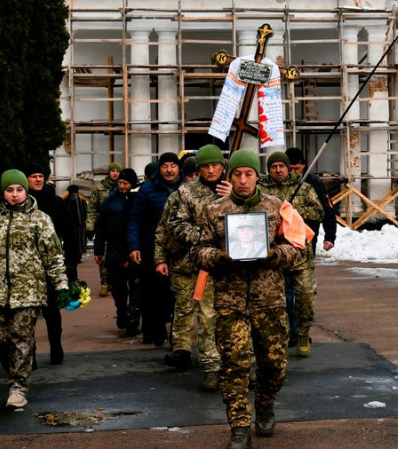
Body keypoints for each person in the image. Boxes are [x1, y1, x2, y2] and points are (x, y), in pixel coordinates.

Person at [192, 149, 302, 449]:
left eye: (248, 174)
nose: (243, 180)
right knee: (234, 366)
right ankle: (239, 428)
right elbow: (199, 250)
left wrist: (277, 254)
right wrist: (219, 257)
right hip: (231, 302)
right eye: (237, 174)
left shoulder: (278, 207)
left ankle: (265, 403)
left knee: (274, 365)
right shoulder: (215, 210)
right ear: (231, 176)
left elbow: (297, 245)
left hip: (270, 301)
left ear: (257, 176)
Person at [0, 169, 70, 408]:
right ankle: (17, 368)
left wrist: (61, 285)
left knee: (21, 338)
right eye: (10, 190)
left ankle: (18, 387)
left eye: (19, 190)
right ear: (3, 192)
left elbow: (53, 256)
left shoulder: (39, 219)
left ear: (26, 191)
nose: (15, 195)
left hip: (29, 291)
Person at [155, 144, 230, 391]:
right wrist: (202, 236)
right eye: (206, 166)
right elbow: (171, 227)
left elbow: (251, 218)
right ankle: (201, 361)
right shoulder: (185, 193)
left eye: (215, 165)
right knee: (191, 310)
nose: (211, 170)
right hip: (191, 264)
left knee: (217, 317)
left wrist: (231, 198)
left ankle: (230, 363)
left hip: (225, 266)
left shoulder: (234, 191)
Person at [259, 151, 324, 357]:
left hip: (301, 255)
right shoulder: (261, 190)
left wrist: (293, 212)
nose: (278, 170)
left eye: (282, 166)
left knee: (305, 296)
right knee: (278, 301)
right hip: (274, 256)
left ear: (288, 168)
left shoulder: (303, 188)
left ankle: (303, 333)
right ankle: (284, 335)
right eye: (273, 166)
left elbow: (318, 212)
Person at [128, 152, 183, 346]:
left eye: (173, 166)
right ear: (159, 168)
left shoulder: (186, 188)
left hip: (181, 250)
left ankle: (178, 337)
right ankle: (156, 332)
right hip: (153, 248)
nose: (169, 170)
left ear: (178, 168)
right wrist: (134, 246)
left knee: (179, 294)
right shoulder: (148, 189)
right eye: (165, 166)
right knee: (155, 292)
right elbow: (135, 219)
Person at [24, 163, 69, 365]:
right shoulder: (21, 203)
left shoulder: (55, 201)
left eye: (41, 175)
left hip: (49, 264)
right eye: (33, 175)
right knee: (26, 314)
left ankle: (56, 345)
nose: (38, 179)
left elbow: (67, 231)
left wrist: (71, 264)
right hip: (25, 267)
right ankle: (29, 353)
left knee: (52, 311)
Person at [94, 168, 140, 335]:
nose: (122, 186)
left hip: (134, 251)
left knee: (136, 289)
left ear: (132, 184)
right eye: (120, 182)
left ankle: (132, 321)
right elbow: (101, 227)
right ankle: (121, 310)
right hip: (114, 251)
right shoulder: (110, 201)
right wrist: (98, 249)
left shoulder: (137, 200)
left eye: (126, 183)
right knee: (118, 288)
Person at [285, 147, 337, 252]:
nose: (293, 172)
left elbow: (327, 209)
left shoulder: (314, 182)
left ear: (303, 166)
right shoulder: (280, 182)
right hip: (285, 236)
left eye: (296, 168)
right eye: (290, 169)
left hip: (308, 235)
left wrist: (330, 236)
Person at [87, 162, 122, 296]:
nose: (115, 173)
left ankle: (115, 282)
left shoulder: (123, 187)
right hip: (104, 227)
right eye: (113, 171)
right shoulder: (100, 188)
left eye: (117, 171)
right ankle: (105, 283)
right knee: (102, 257)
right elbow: (92, 208)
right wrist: (90, 225)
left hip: (118, 227)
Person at [63, 185, 88, 271]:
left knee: (80, 242)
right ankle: (73, 256)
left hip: (80, 225)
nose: (74, 195)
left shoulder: (82, 201)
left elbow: (86, 212)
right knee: (71, 242)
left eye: (75, 193)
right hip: (69, 226)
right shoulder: (65, 201)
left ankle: (78, 256)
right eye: (72, 193)